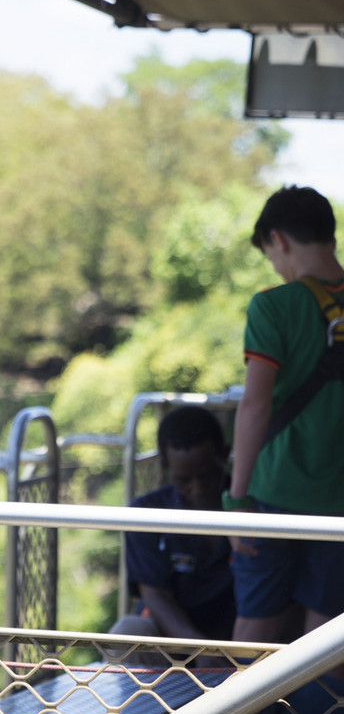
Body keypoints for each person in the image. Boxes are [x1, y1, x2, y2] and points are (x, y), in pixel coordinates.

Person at [226, 185, 344, 646]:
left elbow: (256, 404)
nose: (275, 265)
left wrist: (236, 498)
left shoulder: (273, 305)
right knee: (324, 639)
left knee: (255, 630)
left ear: (278, 239)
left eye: (270, 254)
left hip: (271, 493)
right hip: (338, 502)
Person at [111, 405, 235, 651]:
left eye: (207, 476)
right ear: (165, 467)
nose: (197, 489)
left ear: (225, 455)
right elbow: (155, 595)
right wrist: (201, 650)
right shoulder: (147, 512)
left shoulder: (251, 507)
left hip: (239, 637)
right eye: (183, 480)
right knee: (128, 632)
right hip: (175, 640)